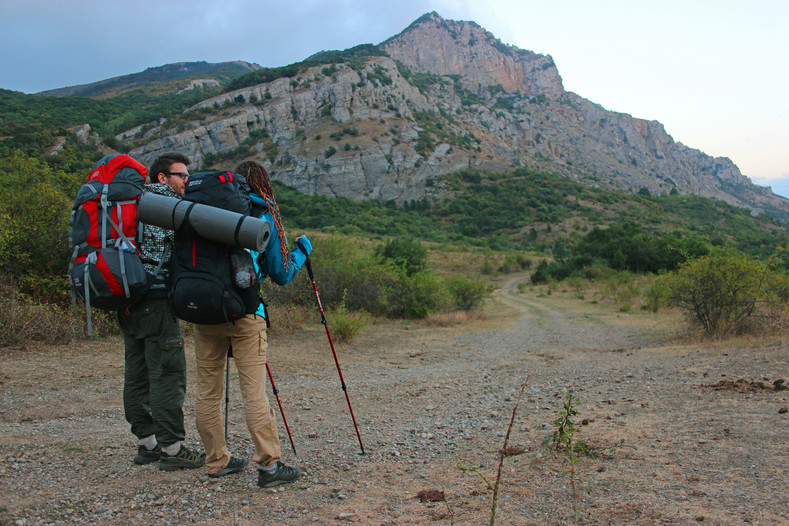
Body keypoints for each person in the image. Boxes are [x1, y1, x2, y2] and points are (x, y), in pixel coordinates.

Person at [192, 160, 312, 485]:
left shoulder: (202, 211)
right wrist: (302, 250)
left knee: (207, 392)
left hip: (203, 312)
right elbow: (282, 274)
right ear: (261, 183)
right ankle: (269, 467)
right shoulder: (262, 213)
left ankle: (216, 461)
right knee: (254, 393)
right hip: (246, 312)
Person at [119, 152, 205, 471]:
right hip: (155, 300)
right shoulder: (165, 204)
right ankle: (171, 450)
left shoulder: (132, 202)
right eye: (181, 175)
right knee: (167, 371)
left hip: (127, 298)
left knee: (137, 372)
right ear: (162, 178)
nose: (186, 180)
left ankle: (147, 444)